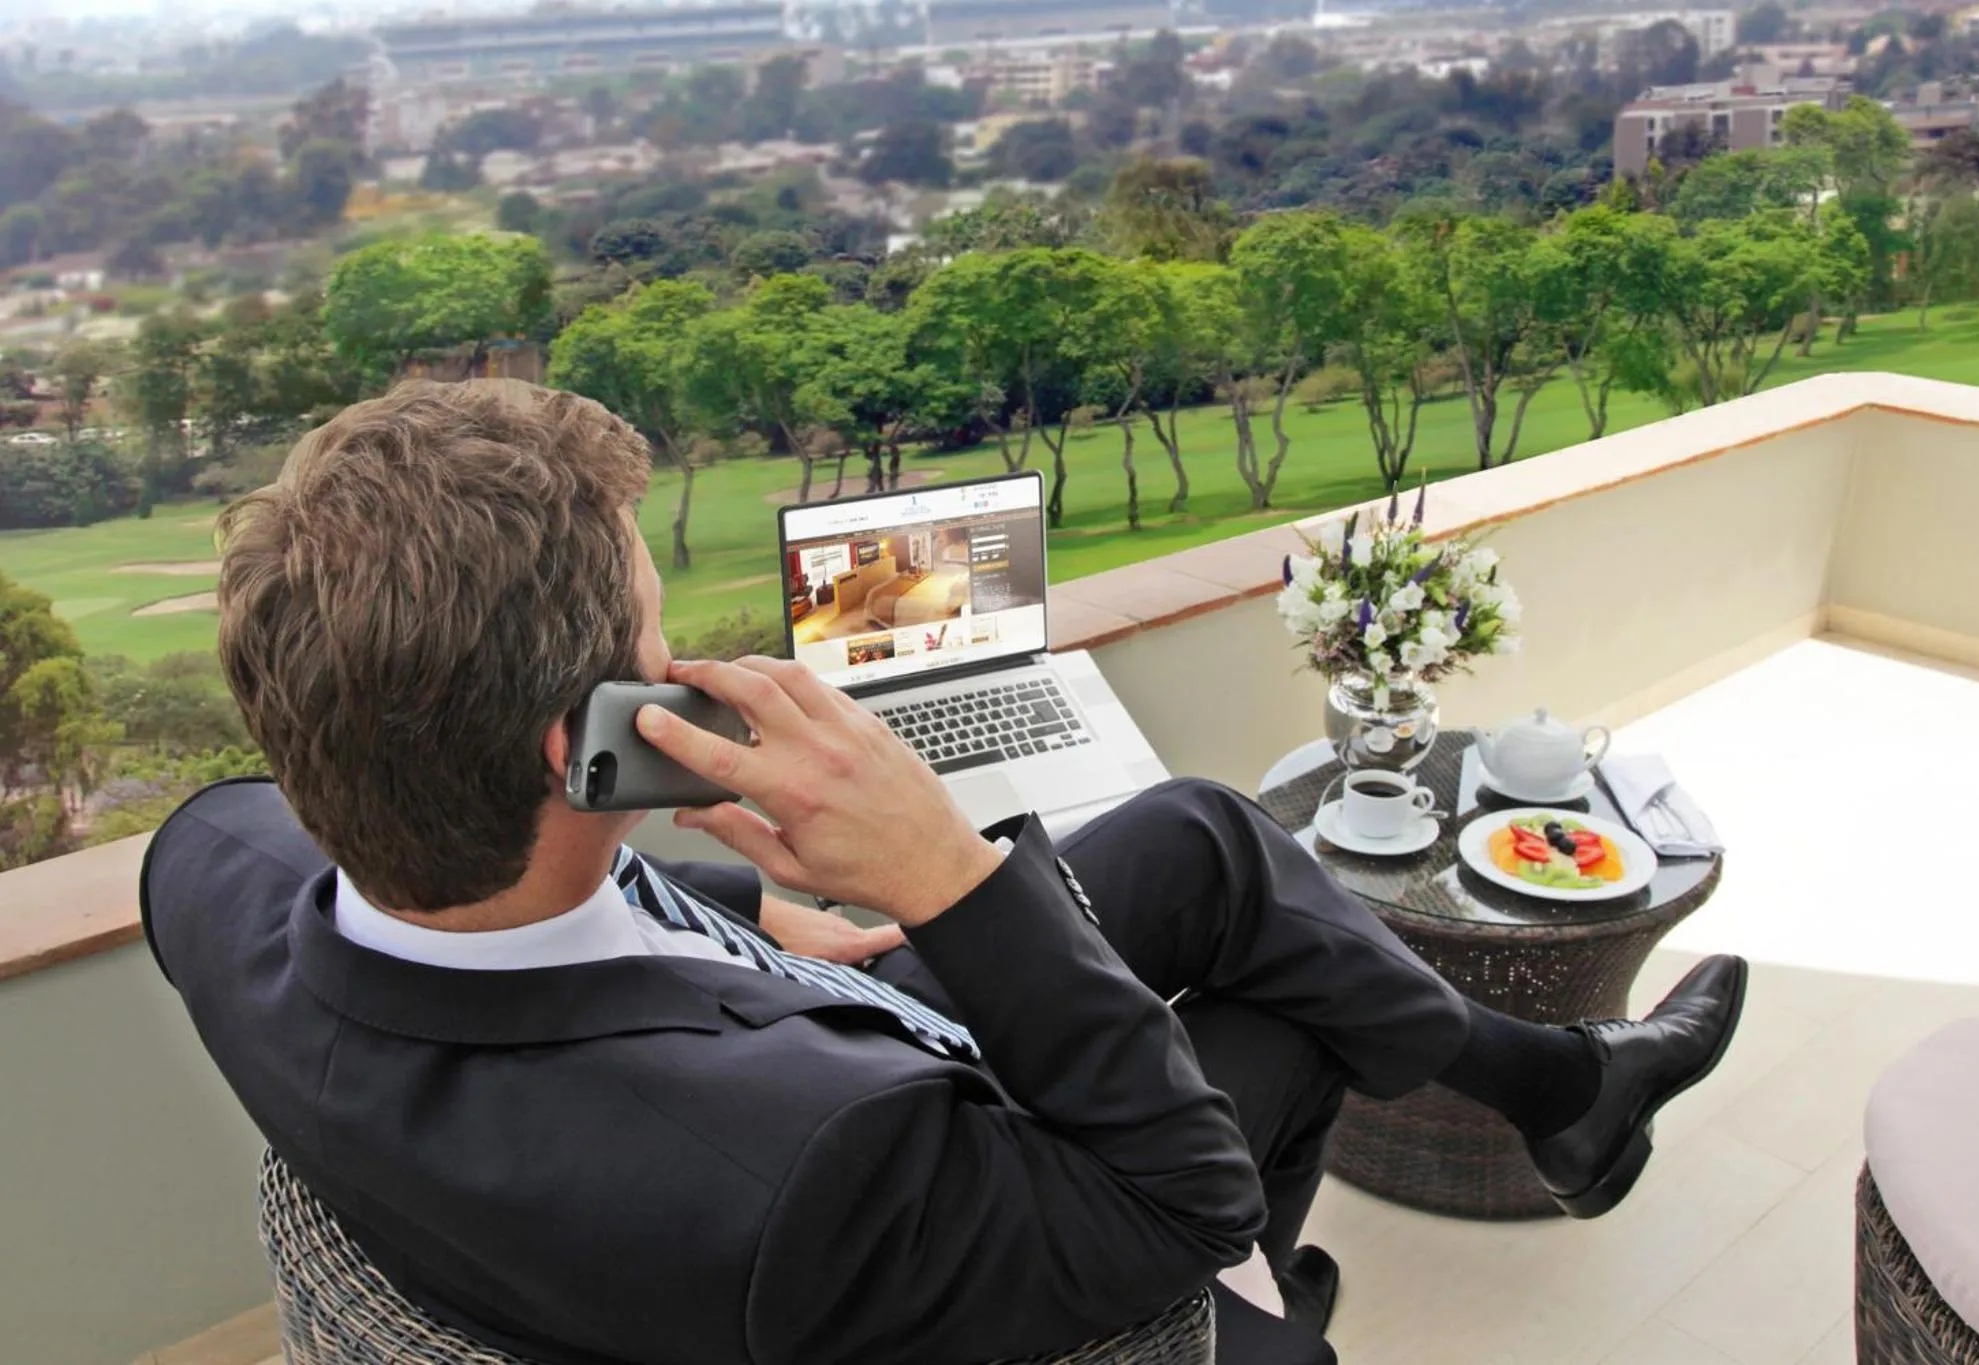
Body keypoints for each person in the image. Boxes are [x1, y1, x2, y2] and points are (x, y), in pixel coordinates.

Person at [143, 381, 1747, 1365]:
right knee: (1284, 1026)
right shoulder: (802, 1174)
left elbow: (450, 885)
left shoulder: (209, 865)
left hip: (755, 1004)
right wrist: (949, 881)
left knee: (1198, 837)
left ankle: (1558, 1088)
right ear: (592, 747)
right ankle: (1262, 1329)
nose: (694, 671)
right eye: (657, 650)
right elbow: (1173, 1198)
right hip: (835, 1086)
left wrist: (758, 908)